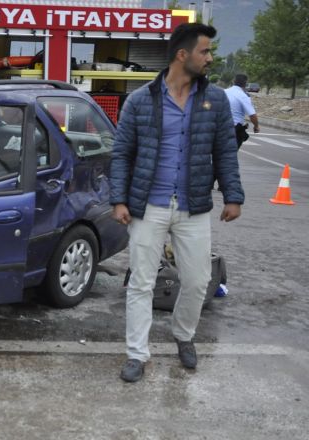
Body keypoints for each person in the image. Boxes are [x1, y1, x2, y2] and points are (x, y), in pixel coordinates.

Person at [110, 23, 244, 383]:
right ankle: (137, 354)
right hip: (148, 206)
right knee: (141, 282)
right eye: (205, 51)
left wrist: (233, 195)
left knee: (198, 280)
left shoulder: (215, 100)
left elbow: (225, 152)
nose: (210, 58)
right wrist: (119, 198)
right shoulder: (140, 100)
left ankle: (184, 335)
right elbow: (122, 153)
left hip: (193, 205)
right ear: (183, 55)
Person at [225, 73, 260, 148]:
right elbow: (252, 115)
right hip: (234, 130)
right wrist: (256, 126)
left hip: (219, 128)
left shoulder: (223, 92)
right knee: (230, 155)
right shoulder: (243, 96)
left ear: (233, 81)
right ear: (246, 83)